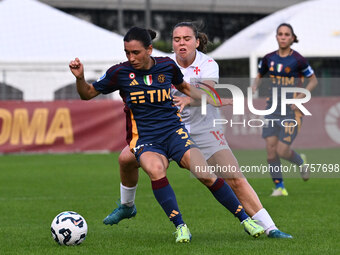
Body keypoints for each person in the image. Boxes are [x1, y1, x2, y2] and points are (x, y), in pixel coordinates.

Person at [69, 26, 264, 243]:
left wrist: (215, 99)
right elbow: (87, 94)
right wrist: (80, 77)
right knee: (155, 170)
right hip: (146, 138)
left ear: (150, 50)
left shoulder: (167, 66)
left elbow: (188, 89)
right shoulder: (120, 73)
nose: (131, 58)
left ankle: (246, 220)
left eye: (136, 53)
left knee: (205, 173)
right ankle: (180, 226)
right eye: (127, 53)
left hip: (174, 132)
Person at [104, 22, 292, 238]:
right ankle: (127, 207)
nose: (181, 43)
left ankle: (271, 228)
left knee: (235, 178)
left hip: (203, 130)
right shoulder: (159, 63)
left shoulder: (208, 64)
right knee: (125, 159)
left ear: (197, 42)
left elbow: (206, 92)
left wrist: (187, 99)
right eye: (176, 39)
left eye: (186, 38)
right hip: (166, 131)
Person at [252, 23, 318, 196]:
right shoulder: (268, 58)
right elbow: (260, 74)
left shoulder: (298, 60)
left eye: (286, 34)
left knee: (282, 151)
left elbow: (313, 81)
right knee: (270, 150)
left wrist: (301, 96)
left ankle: (300, 161)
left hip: (291, 111)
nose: (283, 37)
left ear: (292, 38)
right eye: (280, 34)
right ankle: (279, 187)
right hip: (271, 109)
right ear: (276, 37)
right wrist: (254, 86)